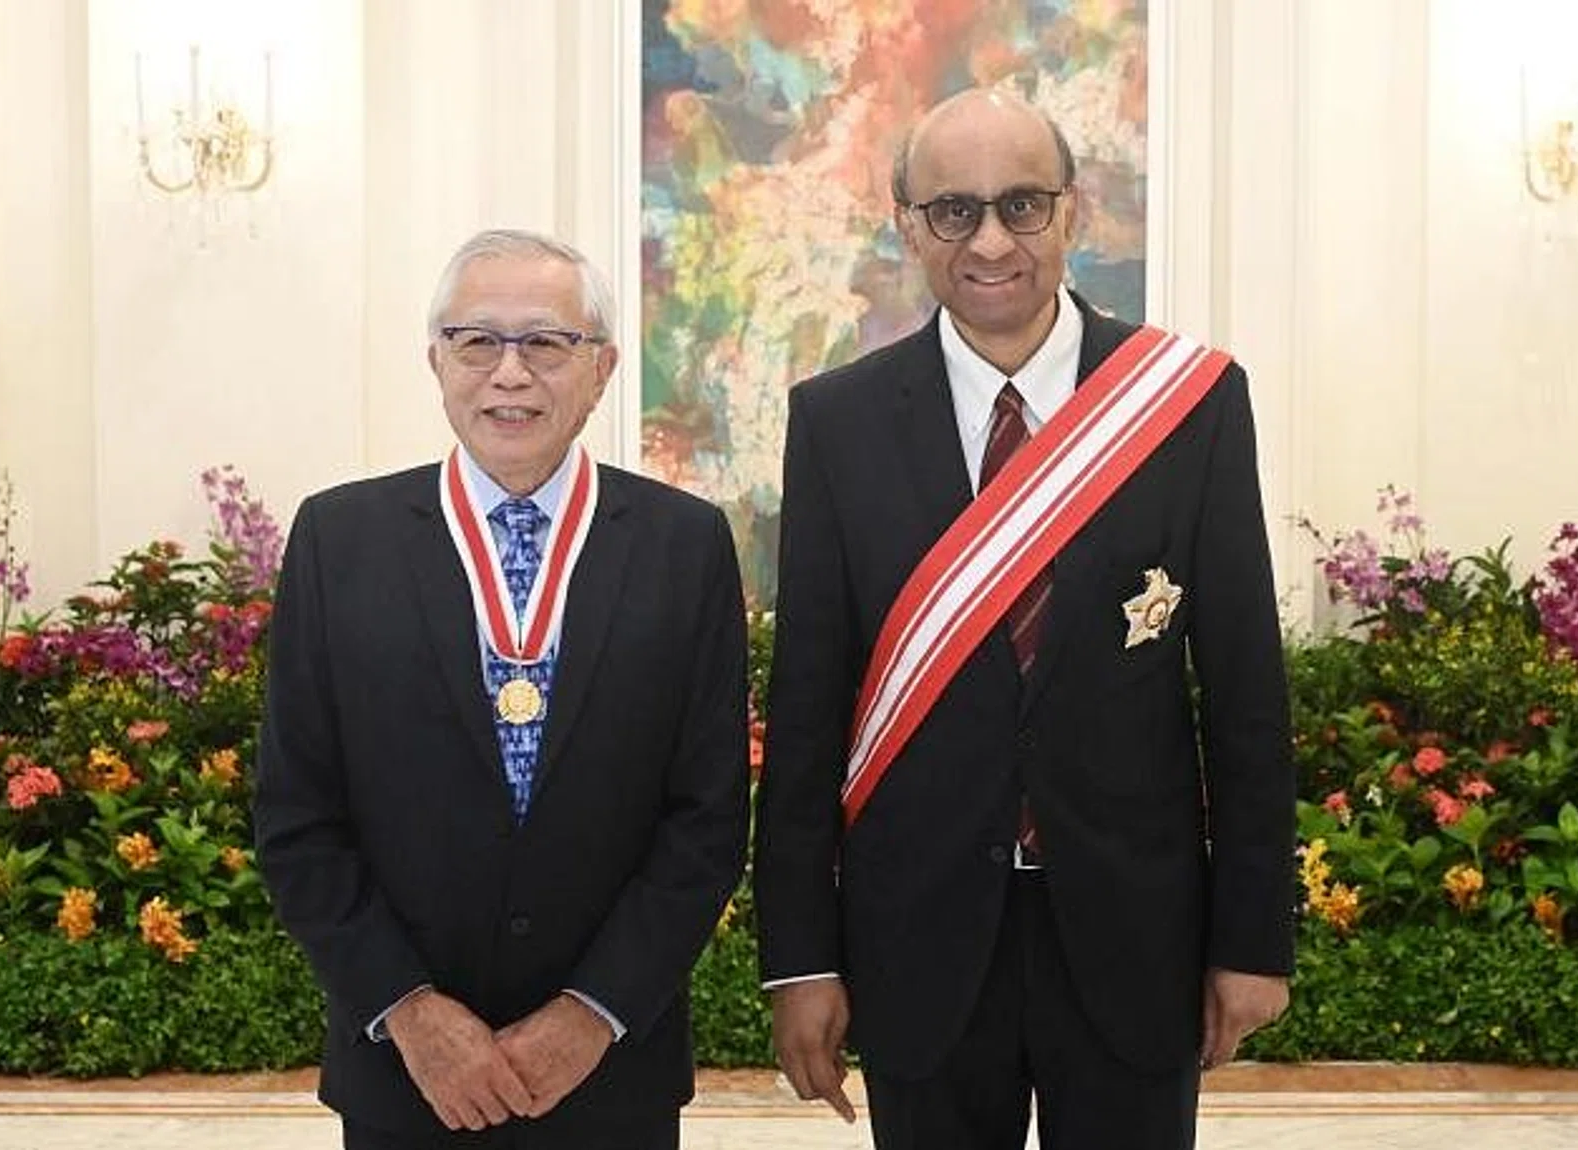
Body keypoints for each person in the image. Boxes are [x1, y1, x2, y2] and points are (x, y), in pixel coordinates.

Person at [753, 89, 1297, 1149]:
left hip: (1136, 939)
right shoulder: (838, 423)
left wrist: (1252, 941)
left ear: (1073, 214)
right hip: (919, 942)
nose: (991, 240)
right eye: (953, 210)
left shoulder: (1191, 404)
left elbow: (1245, 701)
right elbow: (809, 709)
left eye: (1022, 205)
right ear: (906, 224)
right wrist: (800, 958)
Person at [255, 228, 750, 1149]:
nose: (509, 373)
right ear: (436, 361)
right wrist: (408, 1011)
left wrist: (594, 1012)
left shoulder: (683, 547)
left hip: (611, 1079)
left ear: (599, 369)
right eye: (478, 341)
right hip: (404, 1077)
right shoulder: (340, 542)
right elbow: (297, 819)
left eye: (546, 343)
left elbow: (707, 821)